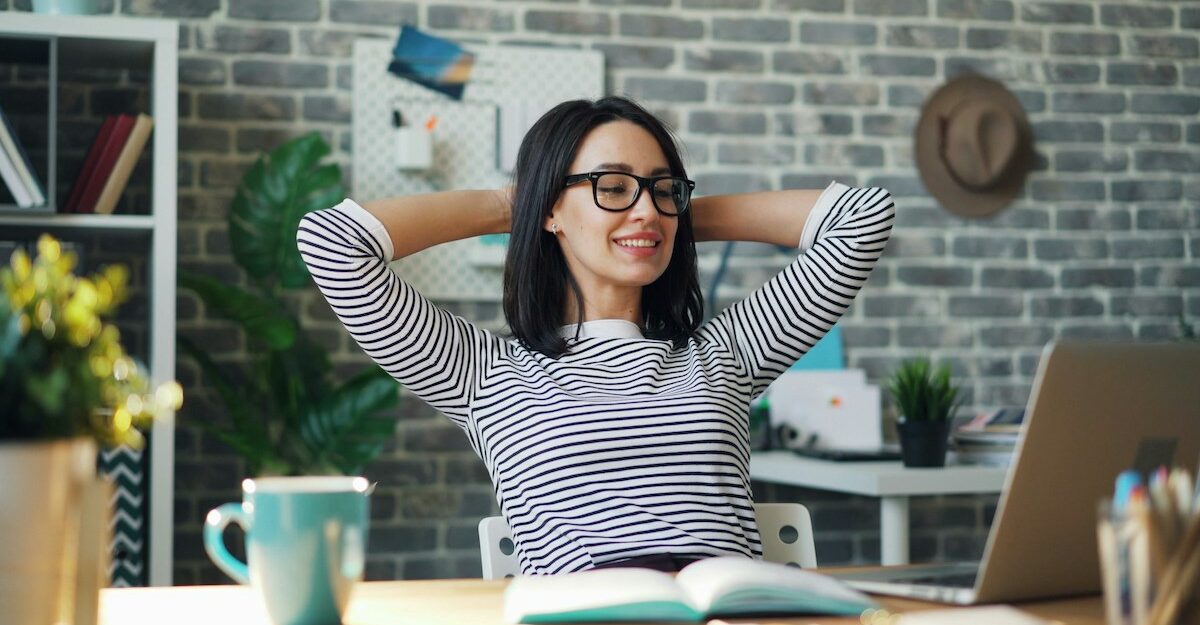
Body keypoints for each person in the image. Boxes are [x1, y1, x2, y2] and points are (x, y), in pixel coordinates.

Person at [297, 96, 895, 575]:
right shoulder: (482, 373)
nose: (645, 210)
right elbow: (332, 244)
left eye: (664, 189)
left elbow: (863, 218)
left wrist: (669, 219)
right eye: (612, 186)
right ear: (551, 209)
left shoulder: (726, 355)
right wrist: (525, 205)